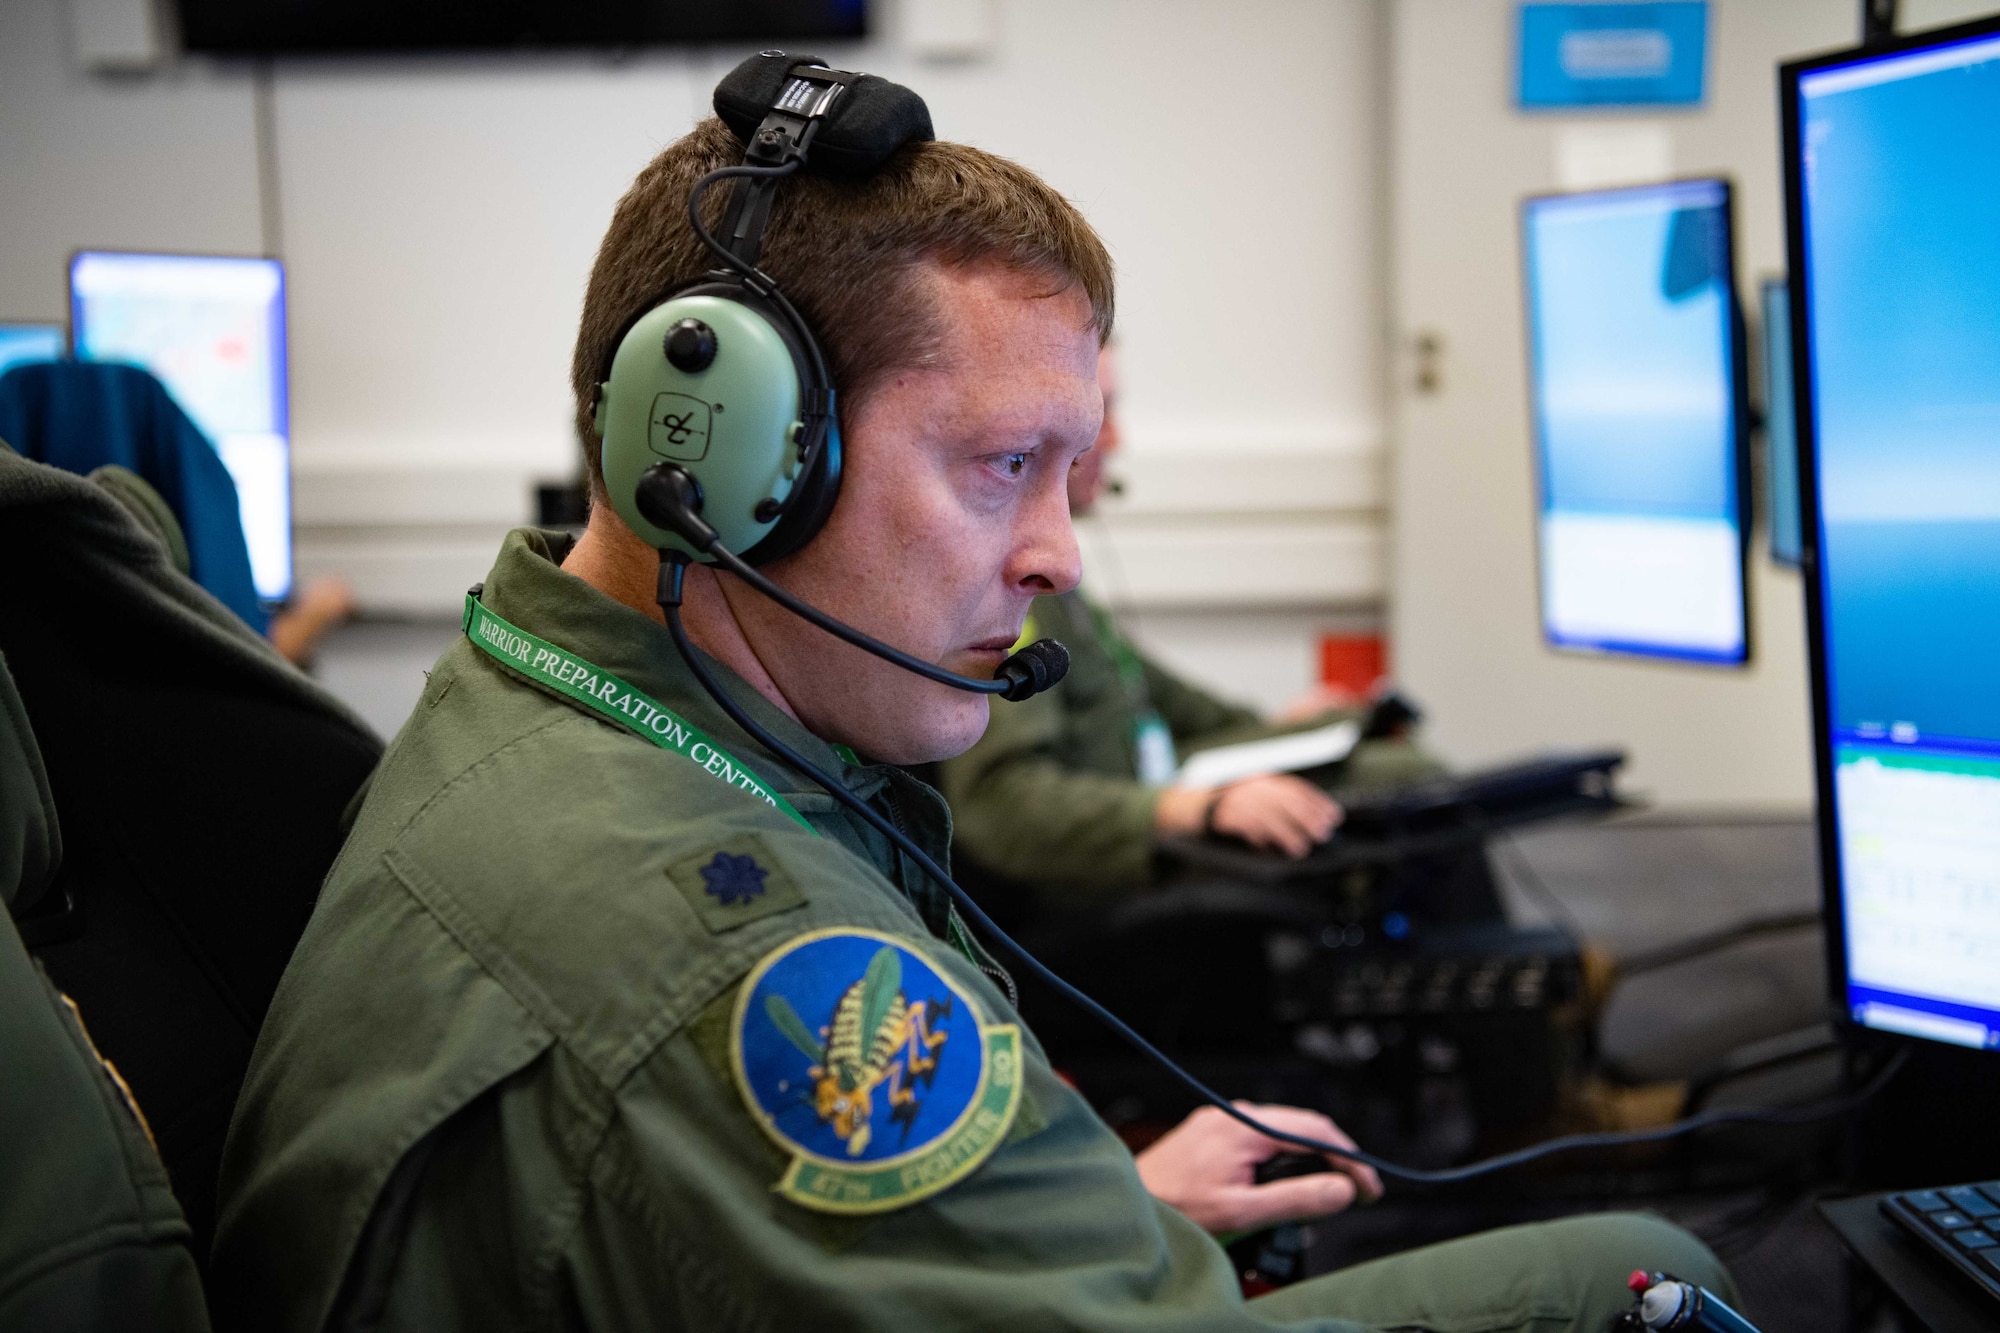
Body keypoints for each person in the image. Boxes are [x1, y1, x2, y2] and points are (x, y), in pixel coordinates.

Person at [212, 78, 1730, 1332]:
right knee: (1643, 1275)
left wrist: (1085, 1212)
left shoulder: (537, 692)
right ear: (733, 458)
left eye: (1072, 474)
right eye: (1006, 464)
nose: (1058, 551)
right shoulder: (727, 958)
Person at [939, 344, 1440, 908]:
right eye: (1100, 416)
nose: (1116, 440)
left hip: (1142, 847)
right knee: (1404, 781)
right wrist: (1197, 809)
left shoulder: (1068, 597)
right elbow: (1000, 804)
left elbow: (1179, 711)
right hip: (1091, 898)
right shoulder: (1016, 592)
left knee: (1391, 765)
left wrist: (1304, 729)